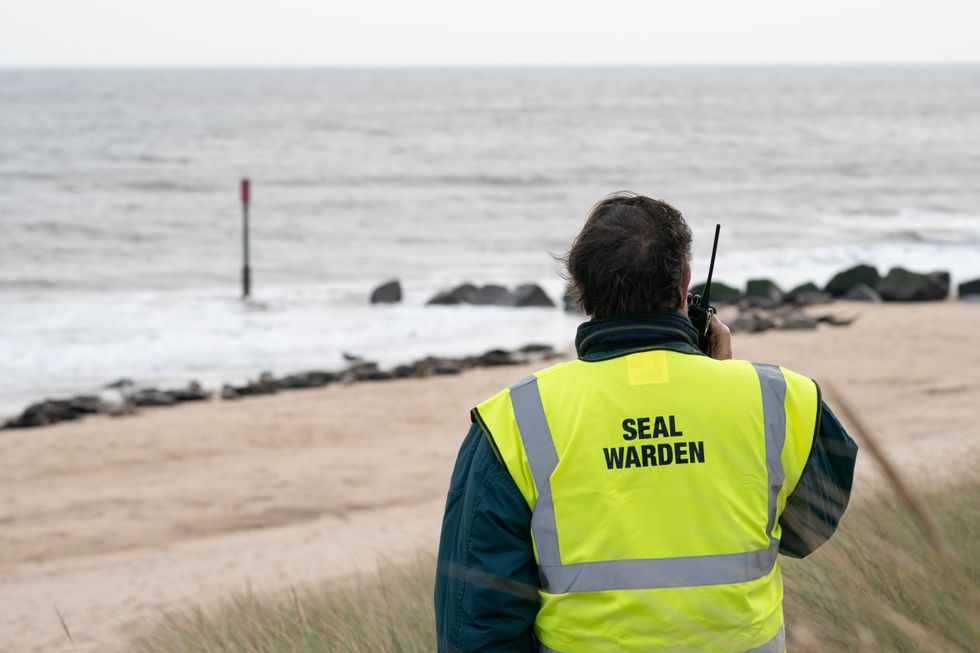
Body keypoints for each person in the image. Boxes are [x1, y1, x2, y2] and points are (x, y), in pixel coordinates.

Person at [434, 192, 858, 653]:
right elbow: (807, 531)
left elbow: (477, 621)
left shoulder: (514, 420)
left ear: (581, 291)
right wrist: (723, 384)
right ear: (685, 284)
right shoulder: (780, 398)